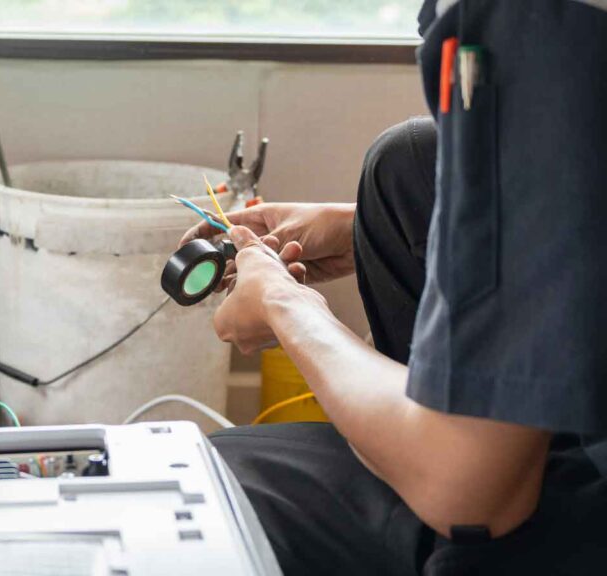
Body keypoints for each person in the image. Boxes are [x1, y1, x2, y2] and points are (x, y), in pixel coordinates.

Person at [180, 1, 607, 574]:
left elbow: (469, 495)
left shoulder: (532, 30)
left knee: (217, 476)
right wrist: (363, 228)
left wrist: (288, 305)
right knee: (404, 166)